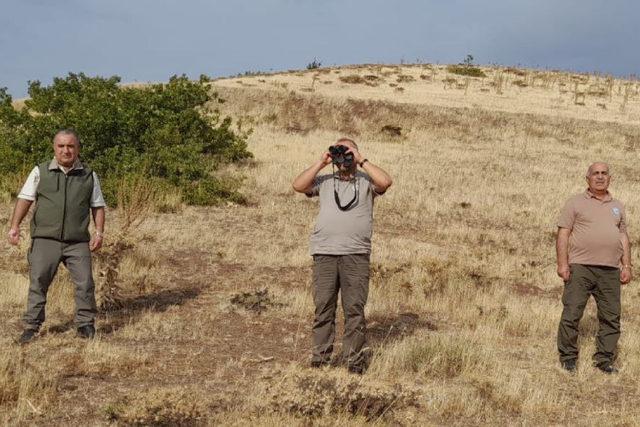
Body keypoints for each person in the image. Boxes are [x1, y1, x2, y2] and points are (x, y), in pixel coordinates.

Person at [292, 137, 392, 374]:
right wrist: (322, 162)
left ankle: (354, 363)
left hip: (356, 254)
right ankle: (320, 360)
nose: (343, 156)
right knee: (323, 307)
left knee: (354, 310)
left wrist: (361, 159)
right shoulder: (325, 180)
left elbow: (386, 182)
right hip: (325, 253)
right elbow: (298, 185)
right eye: (340, 151)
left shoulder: (366, 181)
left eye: (347, 151)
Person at [7, 129, 106, 343]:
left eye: (70, 146)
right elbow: (25, 199)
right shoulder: (40, 171)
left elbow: (97, 206)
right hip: (45, 239)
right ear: (54, 148)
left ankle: (85, 325)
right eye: (61, 146)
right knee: (38, 282)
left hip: (77, 241)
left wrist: (99, 232)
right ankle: (31, 327)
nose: (66, 150)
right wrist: (14, 226)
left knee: (85, 283)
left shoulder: (89, 175)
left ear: (78, 149)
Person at [556, 162, 631, 373]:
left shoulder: (618, 206)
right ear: (587, 178)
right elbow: (563, 234)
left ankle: (604, 360)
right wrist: (563, 264)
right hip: (581, 267)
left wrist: (626, 265)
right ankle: (568, 358)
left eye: (604, 173)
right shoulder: (575, 203)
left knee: (611, 316)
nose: (600, 177)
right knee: (572, 313)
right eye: (595, 173)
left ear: (610, 178)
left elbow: (623, 236)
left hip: (610, 270)